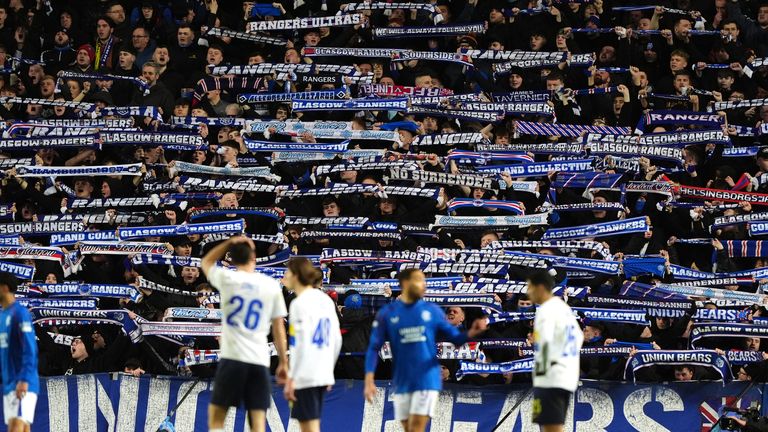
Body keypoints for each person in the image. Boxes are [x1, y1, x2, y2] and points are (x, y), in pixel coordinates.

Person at [363, 269, 487, 432]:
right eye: (418, 281)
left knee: (417, 427)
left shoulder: (432, 311)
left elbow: (456, 339)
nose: (423, 285)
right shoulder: (387, 313)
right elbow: (374, 347)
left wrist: (472, 332)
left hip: (427, 378)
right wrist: (369, 378)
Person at [200, 236, 288, 432]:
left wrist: (229, 242)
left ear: (232, 259)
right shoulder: (270, 285)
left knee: (217, 416)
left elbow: (205, 262)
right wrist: (283, 361)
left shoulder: (228, 279)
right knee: (257, 420)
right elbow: (278, 328)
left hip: (232, 358)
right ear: (254, 257)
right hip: (258, 359)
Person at [282, 257, 341, 432]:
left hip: (306, 371)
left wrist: (293, 377)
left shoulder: (299, 303)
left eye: (287, 273)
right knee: (312, 423)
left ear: (296, 275)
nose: (284, 277)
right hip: (322, 369)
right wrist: (329, 370)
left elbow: (298, 344)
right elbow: (336, 339)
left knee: (308, 426)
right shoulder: (325, 300)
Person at [527, 270, 583, 432]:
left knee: (552, 428)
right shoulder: (563, 309)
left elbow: (545, 341)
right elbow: (578, 338)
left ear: (541, 287)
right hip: (566, 375)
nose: (528, 292)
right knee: (549, 426)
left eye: (530, 287)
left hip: (551, 376)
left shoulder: (546, 310)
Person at [0, 271, 39, 432]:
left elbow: (30, 349)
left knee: (16, 427)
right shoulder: (3, 316)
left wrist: (23, 379)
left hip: (22, 381)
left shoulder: (20, 313)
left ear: (4, 288)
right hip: (9, 382)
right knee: (21, 428)